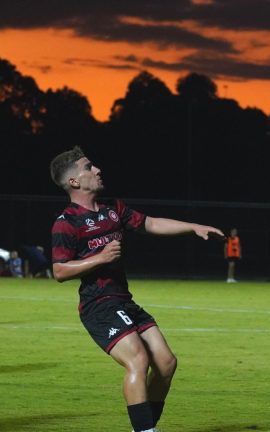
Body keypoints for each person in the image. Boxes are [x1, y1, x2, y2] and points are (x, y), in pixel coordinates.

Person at [49, 146, 224, 432]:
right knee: (139, 360)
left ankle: (143, 426)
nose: (97, 170)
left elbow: (150, 223)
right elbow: (59, 271)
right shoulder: (66, 223)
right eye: (89, 167)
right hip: (98, 305)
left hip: (123, 301)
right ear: (74, 182)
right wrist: (100, 258)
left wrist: (193, 226)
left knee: (166, 363)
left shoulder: (113, 209)